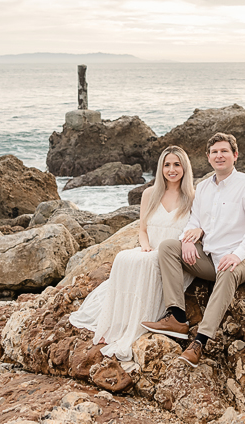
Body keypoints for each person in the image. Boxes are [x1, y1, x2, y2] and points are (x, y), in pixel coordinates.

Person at [142, 132, 245, 367]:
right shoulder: (203, 188)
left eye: (224, 151)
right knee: (169, 246)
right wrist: (188, 239)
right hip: (210, 259)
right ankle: (177, 317)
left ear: (235, 155)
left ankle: (199, 342)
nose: (219, 156)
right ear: (208, 157)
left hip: (243, 258)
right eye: (214, 152)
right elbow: (194, 221)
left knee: (228, 270)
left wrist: (237, 255)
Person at [68, 146, 196, 370]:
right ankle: (117, 323)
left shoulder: (193, 197)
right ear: (160, 168)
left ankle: (133, 326)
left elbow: (197, 230)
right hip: (151, 249)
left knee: (145, 264)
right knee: (124, 258)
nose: (172, 169)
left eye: (177, 164)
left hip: (172, 259)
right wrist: (145, 246)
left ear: (184, 167)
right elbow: (143, 230)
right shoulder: (150, 194)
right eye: (167, 165)